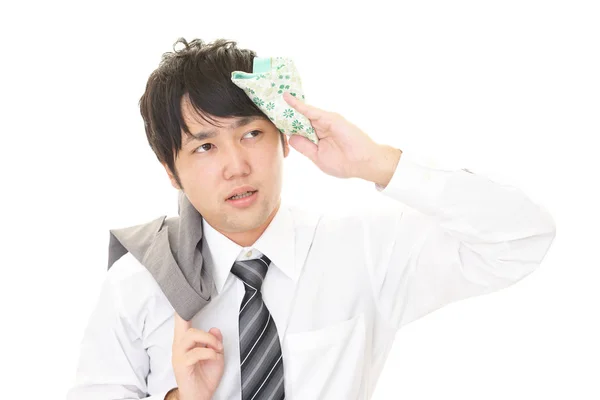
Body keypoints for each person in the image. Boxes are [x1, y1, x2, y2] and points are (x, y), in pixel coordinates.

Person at [66, 38, 556, 400]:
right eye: (206, 146)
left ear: (282, 138)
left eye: (252, 133)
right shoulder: (141, 283)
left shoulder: (362, 250)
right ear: (171, 170)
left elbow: (522, 237)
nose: (236, 165)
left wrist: (377, 163)